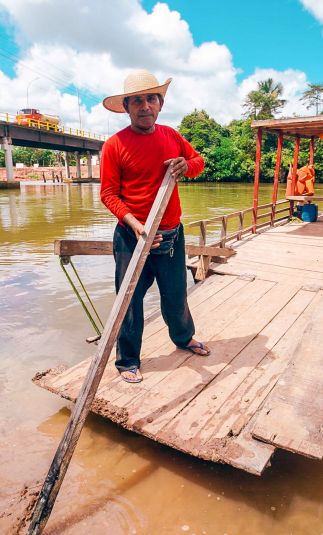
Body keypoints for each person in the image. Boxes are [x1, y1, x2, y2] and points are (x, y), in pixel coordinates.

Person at [100, 70, 210, 384]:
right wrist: (134, 223)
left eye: (151, 99)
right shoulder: (115, 145)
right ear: (127, 107)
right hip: (133, 237)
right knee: (129, 301)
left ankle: (184, 338)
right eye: (137, 100)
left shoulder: (172, 136)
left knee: (175, 295)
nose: (145, 105)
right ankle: (128, 361)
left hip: (171, 235)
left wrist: (185, 165)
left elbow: (198, 161)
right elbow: (108, 194)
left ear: (160, 104)